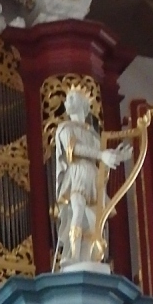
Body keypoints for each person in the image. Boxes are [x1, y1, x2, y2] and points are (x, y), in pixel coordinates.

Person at [54, 87, 131, 267]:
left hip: (93, 176)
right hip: (77, 173)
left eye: (71, 98)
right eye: (67, 99)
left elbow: (103, 157)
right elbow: (73, 149)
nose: (66, 102)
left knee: (94, 220)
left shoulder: (93, 134)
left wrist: (119, 157)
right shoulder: (65, 128)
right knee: (78, 208)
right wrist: (102, 155)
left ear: (83, 103)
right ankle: (73, 255)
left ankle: (87, 257)